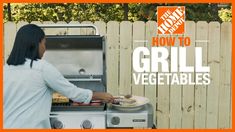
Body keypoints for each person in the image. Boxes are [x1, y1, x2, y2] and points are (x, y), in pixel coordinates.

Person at [3, 24, 114, 128]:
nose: (45, 49)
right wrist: (100, 95)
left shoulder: (5, 70)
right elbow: (73, 93)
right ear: (36, 44)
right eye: (44, 44)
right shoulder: (42, 68)